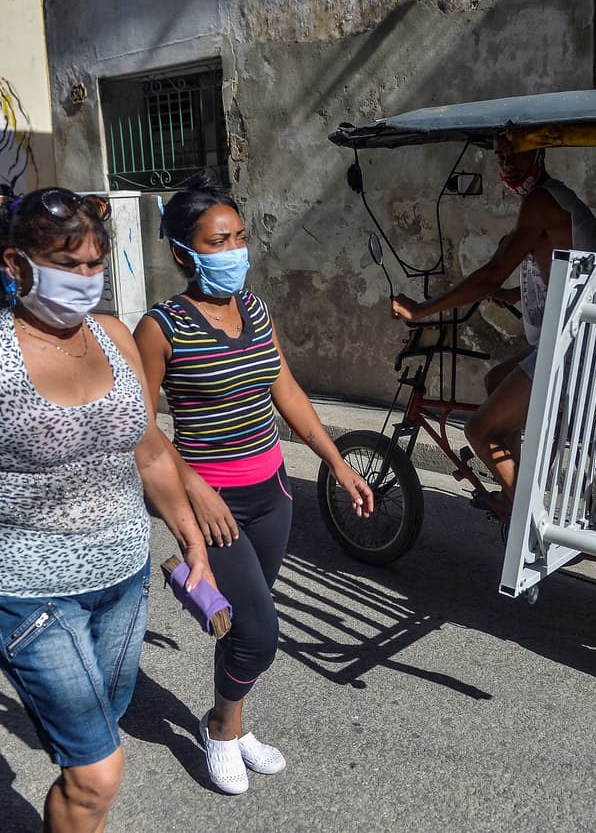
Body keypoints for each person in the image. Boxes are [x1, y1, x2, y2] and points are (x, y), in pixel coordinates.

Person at [0, 187, 215, 832]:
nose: (86, 280)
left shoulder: (115, 334)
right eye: (69, 264)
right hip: (30, 595)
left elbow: (146, 448)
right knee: (98, 774)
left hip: (124, 582)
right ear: (16, 264)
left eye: (95, 265)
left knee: (97, 736)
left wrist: (190, 538)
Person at [134, 172, 375, 795]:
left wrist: (336, 462)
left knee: (243, 623)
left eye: (240, 236)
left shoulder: (256, 308)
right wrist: (194, 488)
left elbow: (284, 389)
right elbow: (140, 425)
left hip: (272, 494)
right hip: (213, 506)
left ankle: (234, 724)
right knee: (261, 635)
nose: (236, 250)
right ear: (185, 252)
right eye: (219, 241)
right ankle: (219, 728)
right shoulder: (161, 327)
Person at [390, 135, 596, 508]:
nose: (508, 163)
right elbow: (563, 268)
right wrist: (511, 296)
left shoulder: (542, 201)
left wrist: (421, 310)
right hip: (578, 341)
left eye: (517, 154)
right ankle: (516, 489)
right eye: (501, 156)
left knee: (478, 429)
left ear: (539, 153)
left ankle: (528, 515)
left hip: (572, 349)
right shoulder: (551, 197)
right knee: (495, 380)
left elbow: (490, 274)